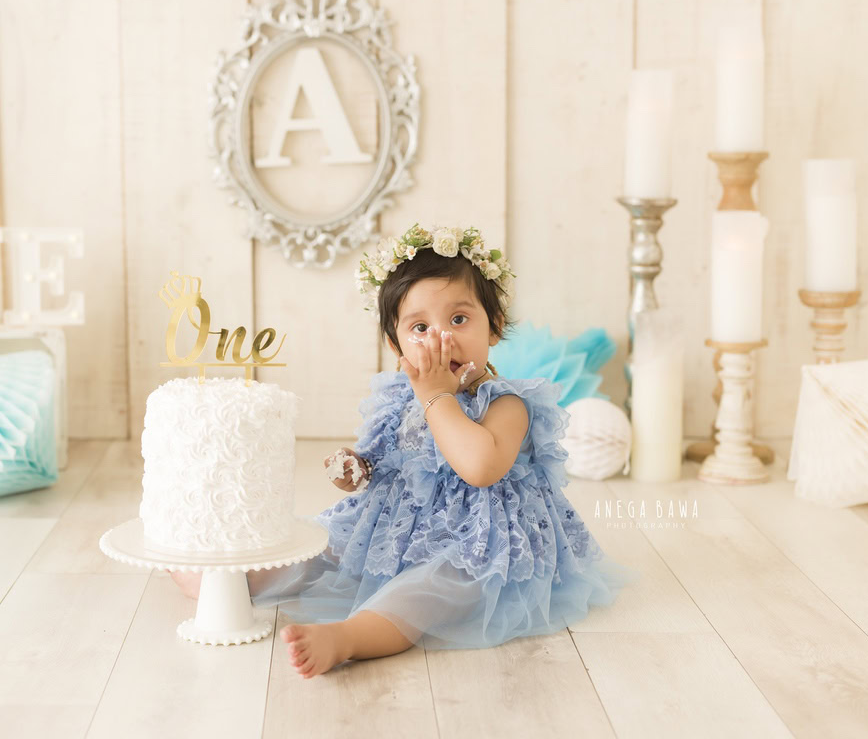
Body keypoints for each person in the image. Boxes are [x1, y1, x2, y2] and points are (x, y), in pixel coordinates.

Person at [171, 223, 639, 678]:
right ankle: (233, 579)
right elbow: (380, 460)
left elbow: (480, 467)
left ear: (493, 326)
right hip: (395, 526)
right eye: (420, 327)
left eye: (459, 319)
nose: (442, 339)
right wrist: (355, 467)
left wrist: (437, 397)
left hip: (476, 541)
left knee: (427, 589)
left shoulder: (507, 403)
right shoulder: (398, 397)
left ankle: (349, 637)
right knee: (315, 546)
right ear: (396, 345)